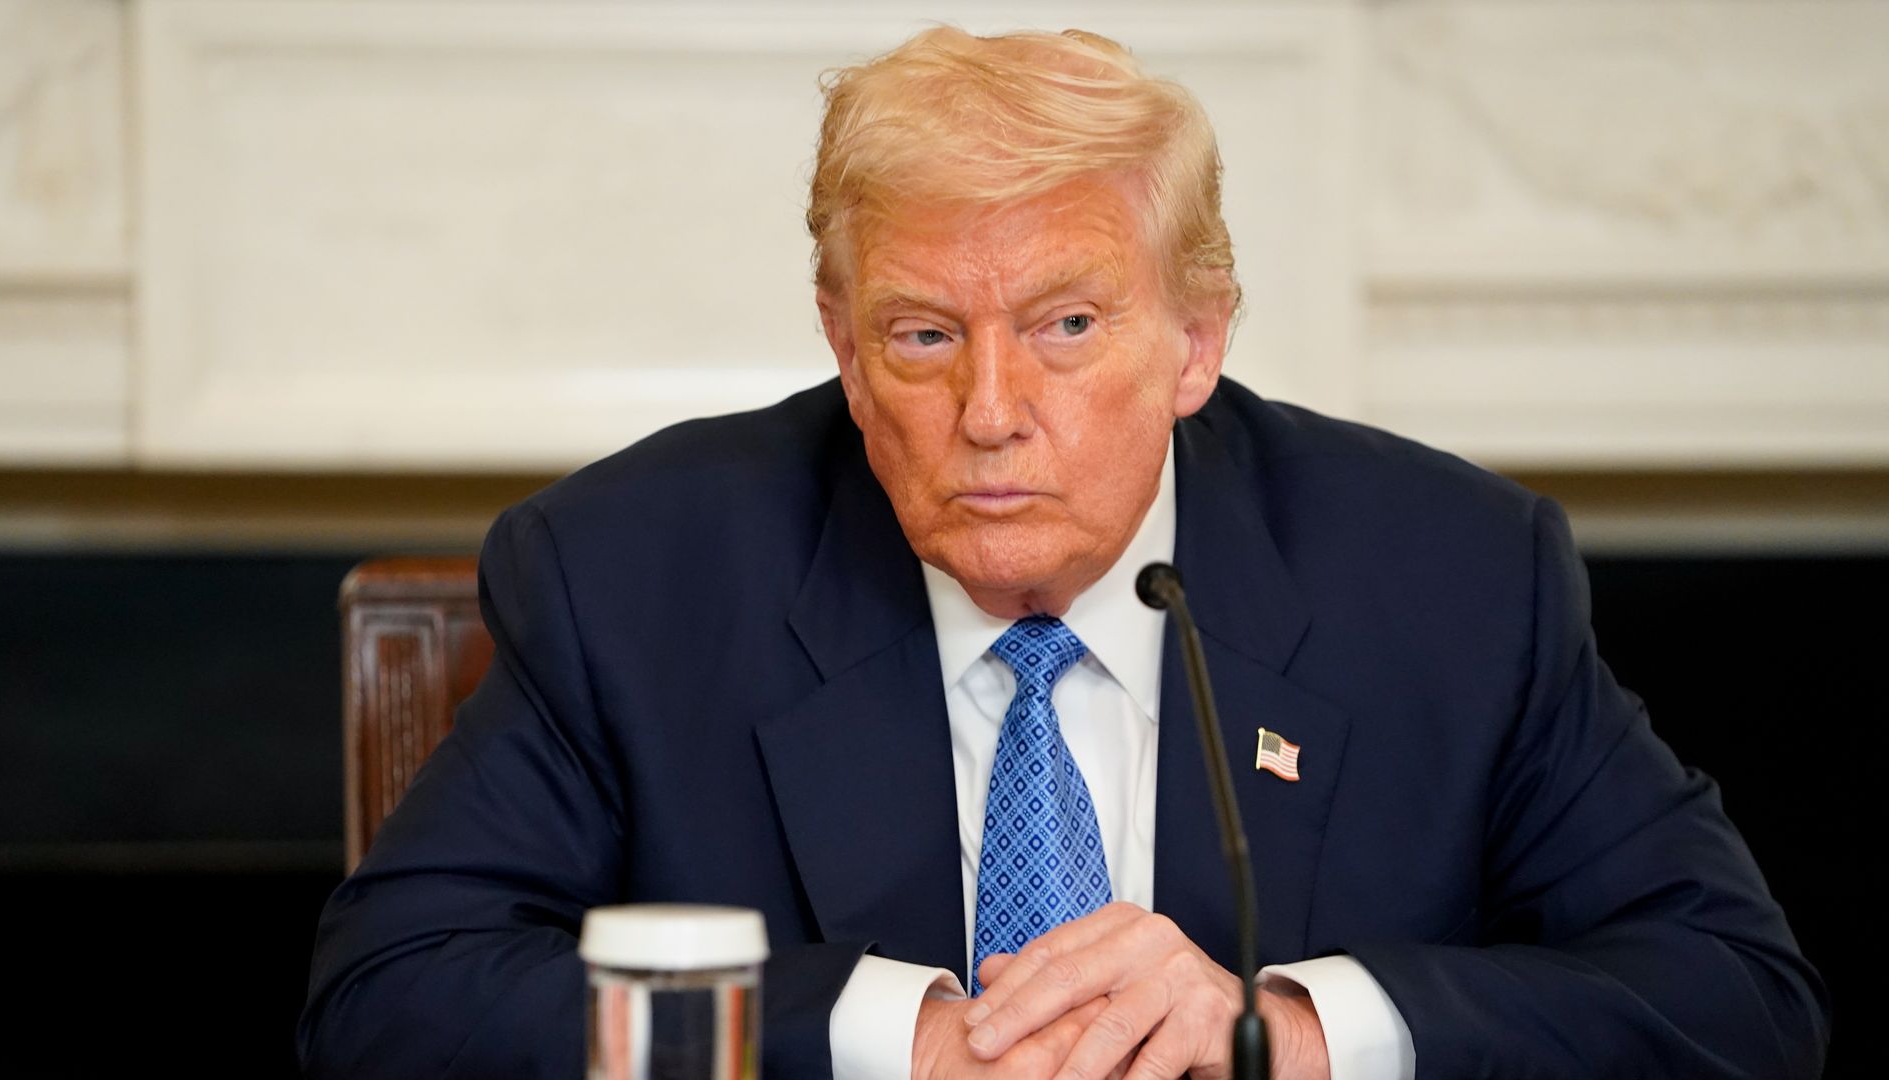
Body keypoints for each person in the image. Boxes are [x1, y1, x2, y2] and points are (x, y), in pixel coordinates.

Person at [299, 27, 1828, 1079]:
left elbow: (1735, 999)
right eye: (920, 336)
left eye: (1068, 327)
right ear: (842, 343)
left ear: (1197, 340)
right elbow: (389, 997)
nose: (989, 412)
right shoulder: (635, 576)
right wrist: (893, 1036)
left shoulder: (1447, 578)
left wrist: (1295, 1032)